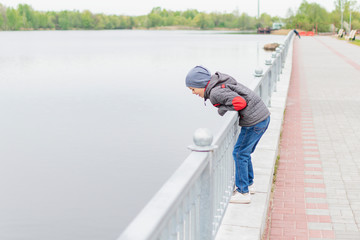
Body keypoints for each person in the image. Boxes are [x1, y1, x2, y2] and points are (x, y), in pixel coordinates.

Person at [185, 66, 270, 204]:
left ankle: (243, 192)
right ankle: (249, 184)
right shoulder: (219, 83)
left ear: (201, 84)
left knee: (239, 153)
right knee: (244, 153)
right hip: (262, 118)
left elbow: (240, 102)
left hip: (254, 122)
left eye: (193, 89)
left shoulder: (215, 93)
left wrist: (222, 109)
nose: (193, 93)